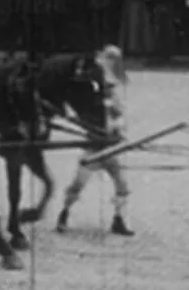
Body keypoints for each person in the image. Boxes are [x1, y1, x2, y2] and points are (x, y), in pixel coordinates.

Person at [55, 45, 134, 236]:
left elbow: (120, 119)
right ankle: (64, 215)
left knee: (122, 186)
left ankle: (118, 220)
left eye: (110, 87)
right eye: (107, 86)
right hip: (92, 150)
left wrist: (119, 131)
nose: (109, 89)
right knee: (77, 185)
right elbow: (82, 118)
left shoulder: (114, 101)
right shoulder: (90, 103)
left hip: (110, 151)